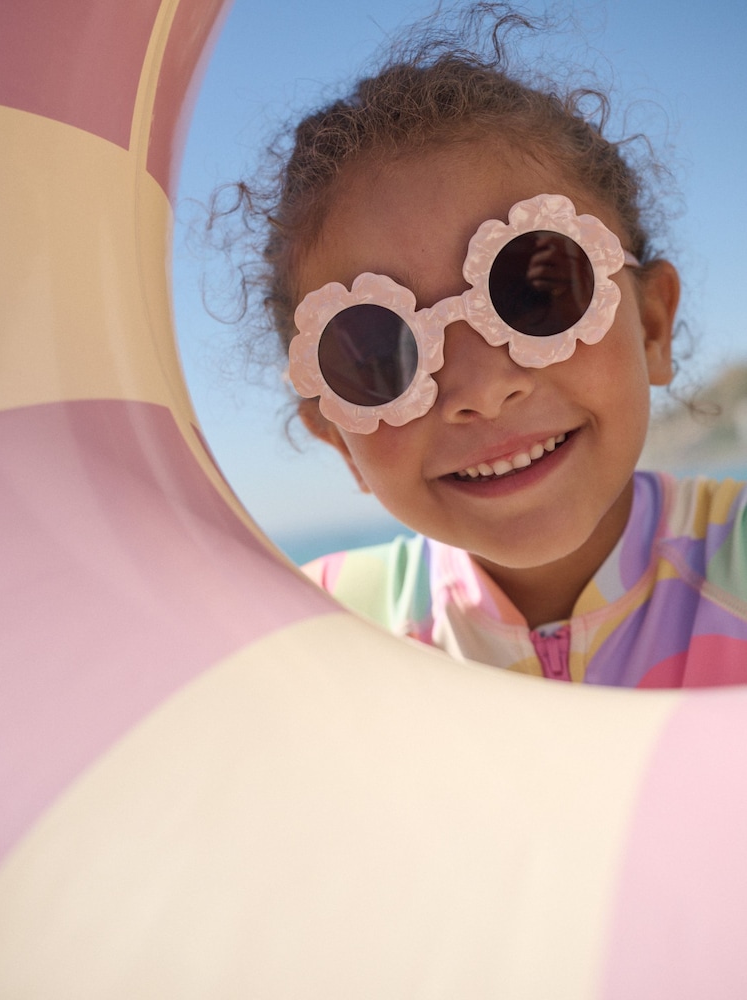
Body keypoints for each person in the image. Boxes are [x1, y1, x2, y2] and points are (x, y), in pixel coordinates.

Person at [217, 5, 747, 687]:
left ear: (650, 326)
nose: (480, 389)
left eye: (535, 293)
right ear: (337, 437)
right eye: (381, 350)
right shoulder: (311, 635)